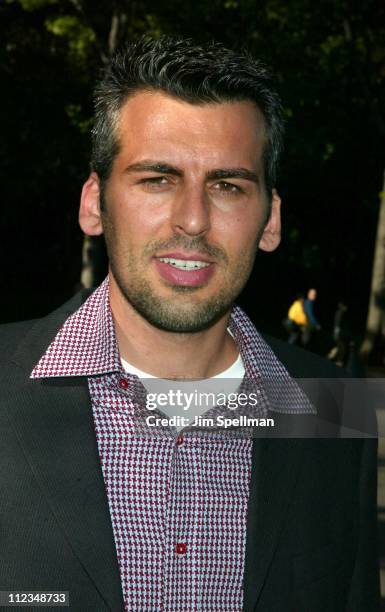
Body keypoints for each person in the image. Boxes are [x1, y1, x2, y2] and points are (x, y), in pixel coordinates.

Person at [0, 37, 379, 611]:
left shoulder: (335, 408)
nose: (194, 220)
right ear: (94, 203)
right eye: (157, 178)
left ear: (270, 220)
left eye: (228, 186)